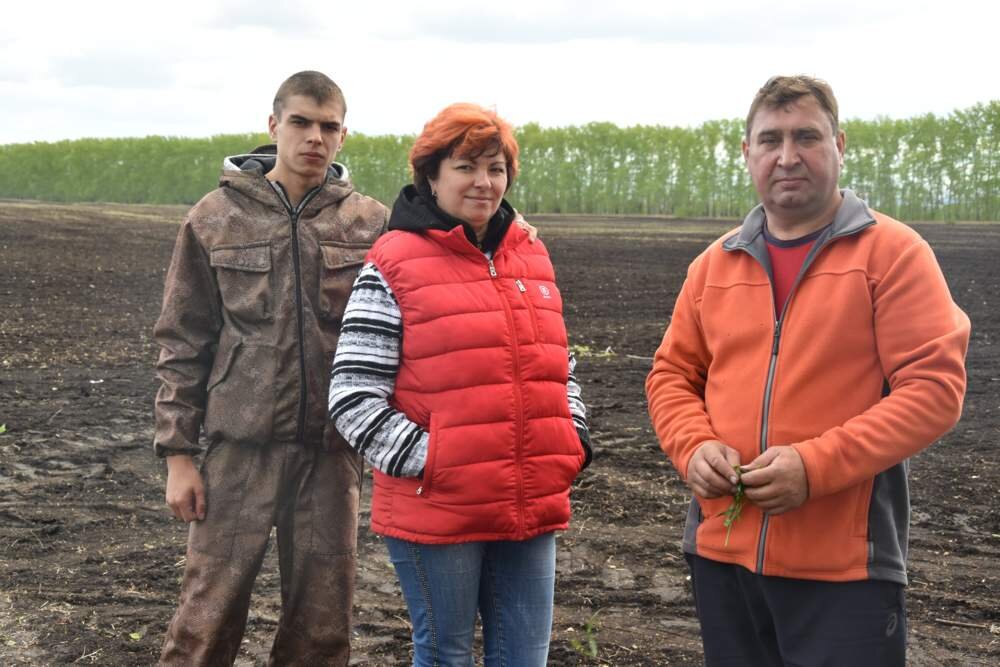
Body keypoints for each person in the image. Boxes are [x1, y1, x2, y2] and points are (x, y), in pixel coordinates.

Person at [645, 75, 970, 666]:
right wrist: (692, 447)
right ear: (747, 153)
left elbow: (933, 390)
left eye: (807, 138)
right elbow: (671, 375)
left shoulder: (892, 255)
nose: (787, 157)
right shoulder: (713, 266)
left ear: (839, 145)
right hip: (722, 555)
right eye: (770, 140)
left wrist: (813, 466)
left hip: (845, 568)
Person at [328, 103, 591, 666]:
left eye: (495, 168)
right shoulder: (394, 261)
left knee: (524, 657)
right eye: (466, 166)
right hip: (439, 504)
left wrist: (571, 440)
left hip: (529, 501)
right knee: (445, 655)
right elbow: (352, 393)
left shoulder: (530, 256)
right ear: (432, 175)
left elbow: (558, 367)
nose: (484, 182)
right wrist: (435, 458)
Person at [153, 70, 389, 665]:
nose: (315, 137)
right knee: (205, 623)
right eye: (302, 122)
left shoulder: (371, 224)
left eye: (329, 126)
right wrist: (179, 455)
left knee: (322, 630)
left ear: (344, 136)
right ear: (273, 125)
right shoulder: (215, 217)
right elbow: (183, 338)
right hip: (239, 450)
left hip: (332, 455)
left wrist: (515, 229)